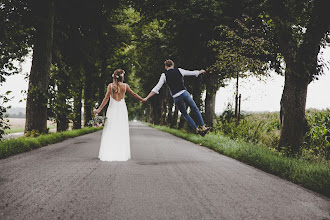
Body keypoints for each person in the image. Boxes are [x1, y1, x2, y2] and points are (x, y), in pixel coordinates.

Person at [143, 59, 212, 136]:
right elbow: (191, 73)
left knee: (185, 114)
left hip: (176, 97)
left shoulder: (164, 75)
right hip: (184, 93)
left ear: (166, 67)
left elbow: (156, 88)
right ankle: (203, 127)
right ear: (173, 65)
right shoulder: (179, 70)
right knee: (195, 108)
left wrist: (146, 97)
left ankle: (196, 129)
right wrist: (200, 72)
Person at [93, 69, 144, 161]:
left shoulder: (110, 86)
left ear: (114, 76)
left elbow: (106, 98)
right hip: (121, 109)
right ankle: (120, 152)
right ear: (122, 77)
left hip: (112, 109)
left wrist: (99, 110)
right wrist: (142, 99)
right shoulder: (125, 86)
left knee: (110, 128)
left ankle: (109, 152)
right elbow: (134, 94)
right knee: (121, 128)